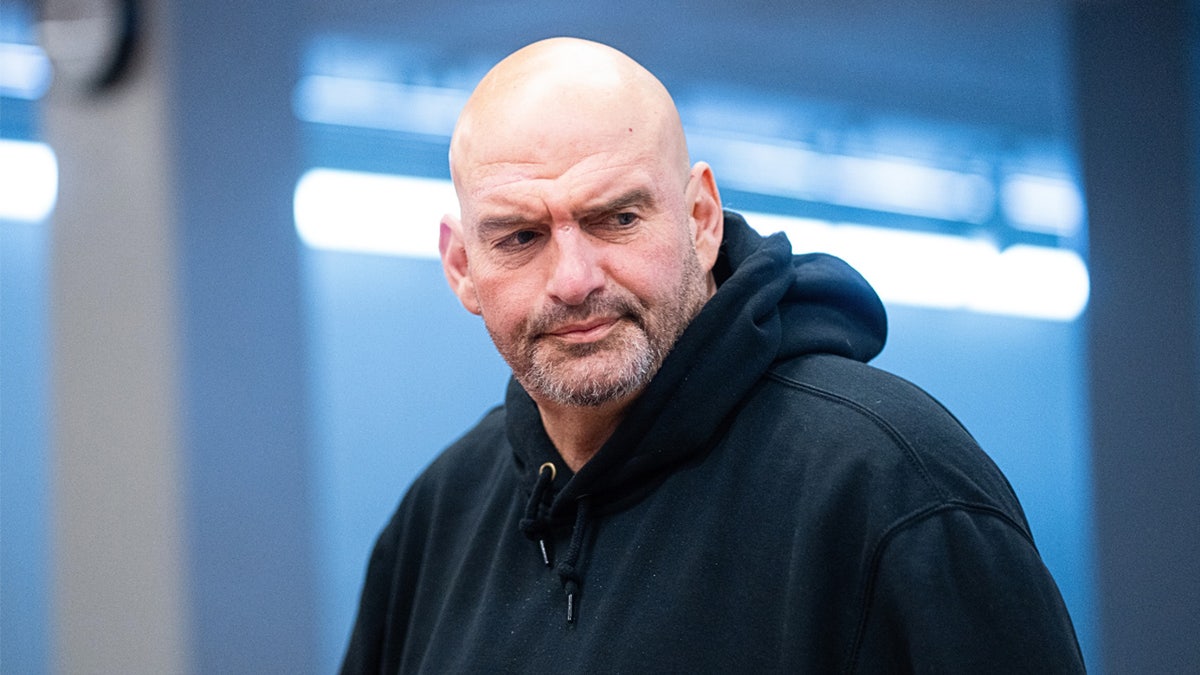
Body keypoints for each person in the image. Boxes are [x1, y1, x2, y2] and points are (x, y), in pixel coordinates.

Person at [341, 37, 1085, 673]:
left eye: (617, 218)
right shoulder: (437, 518)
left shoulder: (892, 485)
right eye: (520, 237)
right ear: (463, 266)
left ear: (700, 219)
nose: (573, 281)